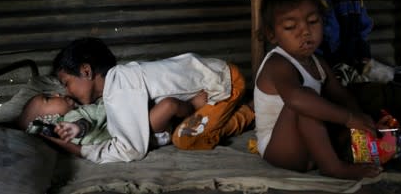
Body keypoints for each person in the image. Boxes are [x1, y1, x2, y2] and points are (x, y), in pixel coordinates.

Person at [45, 37, 254, 163]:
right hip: (214, 75)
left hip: (223, 84)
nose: (68, 92)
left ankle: (250, 111)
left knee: (185, 138)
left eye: (66, 83)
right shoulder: (118, 81)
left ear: (86, 71)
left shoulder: (118, 88)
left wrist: (77, 150)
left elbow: (130, 151)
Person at [253, 0, 382, 180]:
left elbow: (340, 95)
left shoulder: (318, 62)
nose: (305, 31)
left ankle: (330, 155)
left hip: (311, 146)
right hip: (281, 150)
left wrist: (360, 121)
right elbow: (296, 100)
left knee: (346, 103)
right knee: (306, 100)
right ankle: (333, 168)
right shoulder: (277, 63)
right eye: (290, 26)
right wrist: (347, 118)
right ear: (272, 35)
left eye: (313, 21)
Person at [17, 92, 206, 147]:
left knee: (166, 105)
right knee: (169, 105)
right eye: (48, 99)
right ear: (48, 119)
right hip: (141, 132)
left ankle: (190, 112)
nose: (57, 93)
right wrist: (77, 128)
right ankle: (194, 107)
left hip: (137, 120)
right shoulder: (67, 124)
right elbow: (85, 125)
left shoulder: (79, 108)